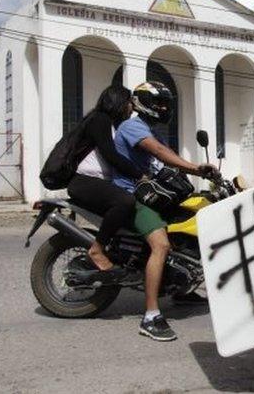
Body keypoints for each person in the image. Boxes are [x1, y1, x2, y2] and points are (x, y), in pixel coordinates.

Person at [114, 81, 218, 342]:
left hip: (151, 193)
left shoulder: (150, 129)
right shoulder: (132, 126)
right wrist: (195, 168)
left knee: (186, 221)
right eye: (158, 103)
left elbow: (166, 156)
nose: (162, 108)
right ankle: (150, 316)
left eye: (165, 104)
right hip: (132, 195)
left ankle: (181, 289)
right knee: (161, 245)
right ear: (143, 103)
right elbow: (159, 152)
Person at [65, 86, 143, 282]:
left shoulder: (111, 125)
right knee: (125, 201)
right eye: (128, 103)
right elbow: (110, 155)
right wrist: (139, 174)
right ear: (117, 102)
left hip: (97, 182)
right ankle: (97, 250)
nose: (131, 108)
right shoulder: (100, 119)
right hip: (84, 182)